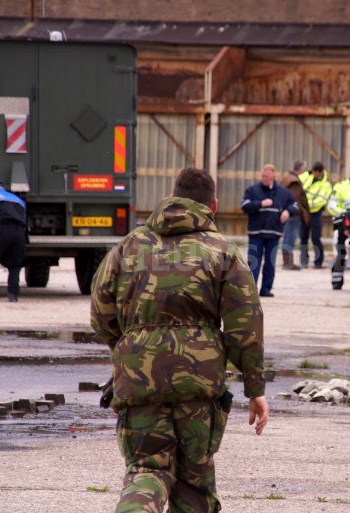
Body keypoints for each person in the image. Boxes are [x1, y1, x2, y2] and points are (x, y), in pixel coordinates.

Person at [91, 167, 269, 513]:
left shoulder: (128, 246)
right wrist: (255, 388)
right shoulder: (223, 251)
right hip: (198, 383)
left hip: (139, 379)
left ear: (172, 196)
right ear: (213, 205)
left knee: (147, 470)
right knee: (194, 480)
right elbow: (244, 325)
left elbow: (101, 313)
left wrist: (131, 349)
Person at [241, 164, 298, 297]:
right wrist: (260, 204)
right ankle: (251, 290)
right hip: (256, 233)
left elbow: (295, 205)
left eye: (267, 176)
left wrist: (288, 212)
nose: (265, 178)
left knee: (270, 263)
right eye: (263, 176)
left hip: (274, 233)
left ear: (273, 176)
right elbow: (244, 206)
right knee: (253, 262)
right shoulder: (252, 190)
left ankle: (266, 289)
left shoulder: (283, 192)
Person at [327, 164, 350, 289]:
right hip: (345, 225)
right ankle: (337, 281)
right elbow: (332, 206)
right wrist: (344, 215)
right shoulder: (340, 187)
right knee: (341, 251)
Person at [299, 162, 332, 268]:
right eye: (312, 171)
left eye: (316, 172)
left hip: (316, 213)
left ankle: (318, 262)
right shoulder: (305, 176)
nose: (314, 174)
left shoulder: (326, 184)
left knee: (315, 238)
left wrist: (307, 205)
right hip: (304, 212)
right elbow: (296, 181)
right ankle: (304, 261)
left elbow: (322, 200)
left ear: (320, 172)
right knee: (303, 237)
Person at [280, 160, 311, 270]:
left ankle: (287, 262)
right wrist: (300, 210)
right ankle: (288, 263)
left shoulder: (287, 177)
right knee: (290, 237)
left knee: (287, 236)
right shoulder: (294, 181)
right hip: (293, 213)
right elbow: (295, 199)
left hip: (287, 212)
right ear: (301, 169)